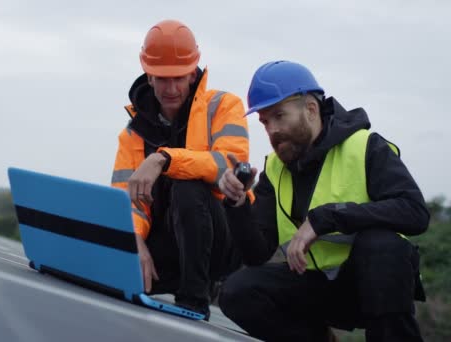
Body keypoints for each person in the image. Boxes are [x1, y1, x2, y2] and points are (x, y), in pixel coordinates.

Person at [217, 60, 429, 341]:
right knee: (237, 291)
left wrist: (324, 218)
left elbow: (414, 212)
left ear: (311, 109)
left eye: (280, 116)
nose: (273, 130)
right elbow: (256, 253)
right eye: (265, 121)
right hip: (317, 288)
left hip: (375, 287)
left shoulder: (365, 146)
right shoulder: (275, 169)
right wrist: (238, 203)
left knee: (382, 244)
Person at [110, 19, 251, 318]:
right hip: (170, 242)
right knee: (114, 276)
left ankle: (193, 301)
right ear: (148, 75)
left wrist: (163, 159)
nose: (171, 88)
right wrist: (133, 241)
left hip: (223, 240)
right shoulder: (133, 133)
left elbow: (227, 164)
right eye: (162, 78)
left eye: (179, 77)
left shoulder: (224, 106)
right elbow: (126, 197)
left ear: (193, 72)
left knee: (188, 188)